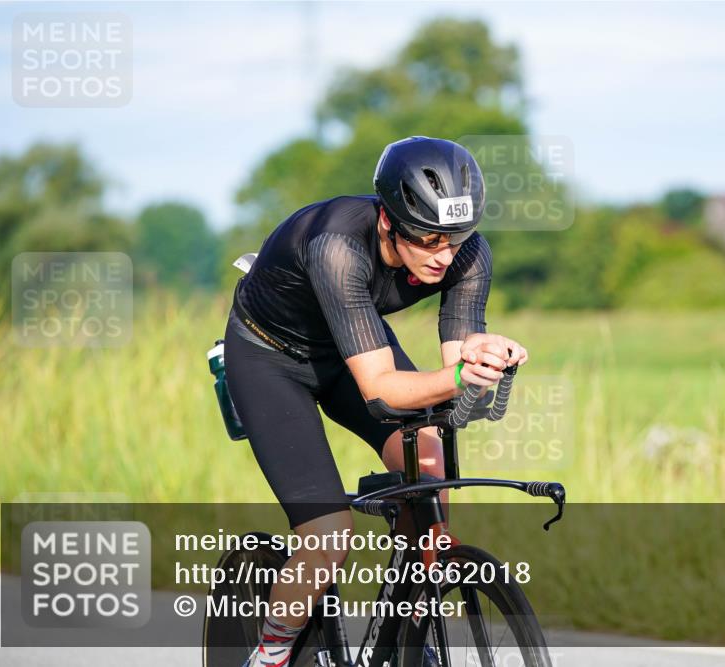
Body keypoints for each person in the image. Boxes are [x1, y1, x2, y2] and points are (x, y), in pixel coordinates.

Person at [223, 136, 529, 667]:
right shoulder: (337, 246)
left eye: (456, 238)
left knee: (430, 468)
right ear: (388, 221)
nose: (444, 255)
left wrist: (482, 361)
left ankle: (406, 631)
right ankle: (270, 654)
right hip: (271, 358)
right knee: (327, 536)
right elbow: (381, 388)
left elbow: (454, 370)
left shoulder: (467, 254)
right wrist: (459, 374)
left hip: (353, 343)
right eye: (428, 239)